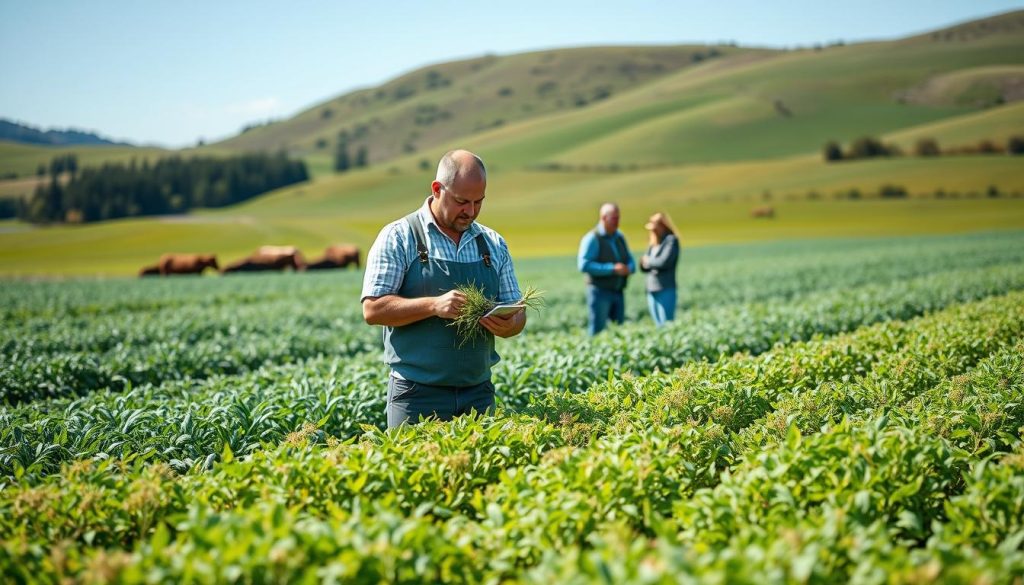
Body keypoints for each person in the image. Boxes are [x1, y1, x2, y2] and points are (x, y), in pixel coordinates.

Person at [361, 149, 526, 429]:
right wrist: (434, 306)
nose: (470, 211)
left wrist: (509, 324)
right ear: (437, 189)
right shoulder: (400, 236)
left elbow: (518, 311)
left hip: (478, 394)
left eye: (479, 202)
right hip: (416, 395)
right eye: (462, 201)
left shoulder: (493, 243)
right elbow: (373, 309)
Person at [577, 202, 635, 335]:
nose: (617, 222)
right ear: (603, 218)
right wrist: (612, 269)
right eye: (614, 218)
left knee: (618, 330)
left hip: (618, 291)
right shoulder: (592, 238)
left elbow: (629, 258)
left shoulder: (619, 237)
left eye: (618, 218)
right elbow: (584, 265)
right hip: (599, 292)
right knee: (597, 331)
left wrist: (629, 268)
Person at [639, 212, 680, 326]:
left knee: (666, 323)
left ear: (662, 226)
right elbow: (643, 264)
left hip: (665, 287)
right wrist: (647, 263)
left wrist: (648, 261)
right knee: (658, 324)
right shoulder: (653, 243)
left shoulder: (671, 241)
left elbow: (664, 262)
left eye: (655, 228)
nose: (653, 231)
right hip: (651, 288)